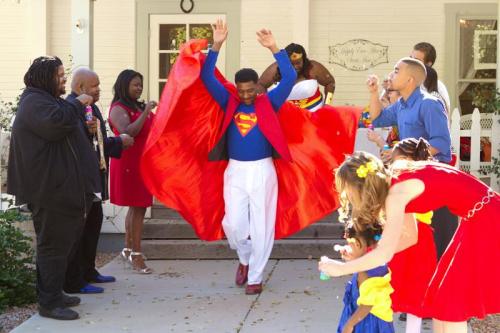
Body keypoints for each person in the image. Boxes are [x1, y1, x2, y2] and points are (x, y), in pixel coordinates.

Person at [319, 149, 500, 333]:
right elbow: (410, 237)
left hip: (485, 217)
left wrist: (342, 269)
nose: (350, 200)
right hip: (479, 215)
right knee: (442, 299)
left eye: (350, 194)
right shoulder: (396, 179)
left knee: (452, 303)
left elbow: (385, 252)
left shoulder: (396, 195)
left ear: (363, 188)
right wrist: (362, 257)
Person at [199, 19, 296, 295]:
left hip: (263, 171)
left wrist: (274, 48)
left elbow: (288, 78)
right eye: (241, 91)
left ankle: (255, 276)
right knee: (234, 223)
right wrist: (216, 44)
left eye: (250, 90)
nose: (246, 96)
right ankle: (244, 258)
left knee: (262, 224)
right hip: (236, 171)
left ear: (258, 87)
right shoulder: (228, 101)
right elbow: (207, 77)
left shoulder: (269, 102)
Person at [7, 56, 100, 320]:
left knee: (61, 245)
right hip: (47, 190)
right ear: (45, 77)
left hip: (60, 188)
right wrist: (78, 102)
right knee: (52, 246)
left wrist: (85, 124)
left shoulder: (47, 100)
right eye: (59, 75)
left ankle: (56, 293)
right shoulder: (34, 102)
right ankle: (48, 303)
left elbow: (65, 127)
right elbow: (57, 124)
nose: (63, 79)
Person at [64, 68, 134, 293]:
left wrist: (115, 142)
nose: (99, 90)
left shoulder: (90, 107)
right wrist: (118, 142)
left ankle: (89, 271)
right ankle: (75, 281)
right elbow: (80, 143)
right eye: (94, 86)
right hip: (79, 182)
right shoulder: (69, 108)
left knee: (93, 226)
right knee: (78, 233)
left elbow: (98, 141)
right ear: (80, 88)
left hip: (94, 179)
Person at [108, 69, 156, 274]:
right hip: (129, 162)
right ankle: (136, 255)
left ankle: (128, 249)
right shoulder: (118, 108)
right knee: (138, 207)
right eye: (135, 84)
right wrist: (146, 112)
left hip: (143, 162)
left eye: (141, 85)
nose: (139, 88)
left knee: (137, 208)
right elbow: (128, 132)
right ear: (124, 85)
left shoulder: (136, 106)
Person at [335, 223, 395, 333]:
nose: (347, 247)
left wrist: (349, 325)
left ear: (357, 244)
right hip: (378, 322)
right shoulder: (376, 263)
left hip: (367, 324)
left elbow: (367, 305)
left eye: (349, 244)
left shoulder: (365, 273)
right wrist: (353, 260)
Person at [258, 43, 335, 111]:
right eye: (291, 64)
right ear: (285, 61)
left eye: (298, 63)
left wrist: (327, 105)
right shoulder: (276, 68)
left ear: (303, 60)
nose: (295, 67)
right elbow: (260, 85)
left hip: (313, 113)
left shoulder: (314, 68)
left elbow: (330, 83)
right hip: (286, 114)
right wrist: (266, 107)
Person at [411, 42, 450, 112]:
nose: (410, 63)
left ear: (428, 64)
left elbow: (444, 114)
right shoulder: (402, 82)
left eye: (416, 61)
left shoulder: (439, 87)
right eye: (410, 58)